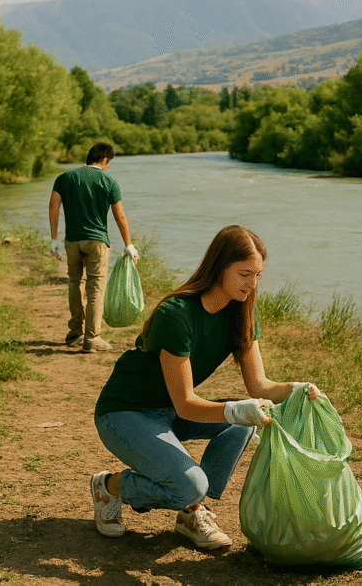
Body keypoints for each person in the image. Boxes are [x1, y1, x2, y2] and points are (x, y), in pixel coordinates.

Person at [90, 225, 322, 549]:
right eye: (244, 274)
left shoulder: (243, 312)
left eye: (258, 275)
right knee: (191, 481)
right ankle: (110, 487)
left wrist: (297, 389)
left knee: (240, 426)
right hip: (126, 412)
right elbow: (186, 403)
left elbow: (259, 385)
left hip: (169, 411)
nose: (252, 284)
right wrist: (237, 409)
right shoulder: (177, 314)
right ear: (219, 267)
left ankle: (191, 512)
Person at [49, 143, 138, 352]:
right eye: (109, 163)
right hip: (97, 242)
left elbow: (53, 205)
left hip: (72, 241)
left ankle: (74, 332)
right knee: (96, 288)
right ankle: (92, 338)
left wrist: (54, 239)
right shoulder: (109, 181)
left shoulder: (65, 178)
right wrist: (128, 245)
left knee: (74, 283)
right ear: (105, 160)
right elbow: (120, 215)